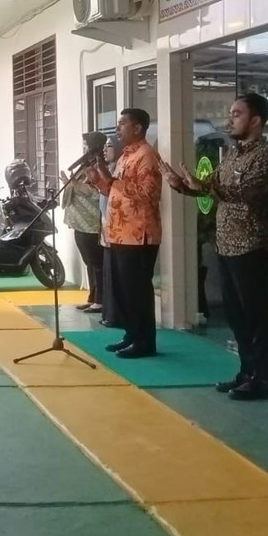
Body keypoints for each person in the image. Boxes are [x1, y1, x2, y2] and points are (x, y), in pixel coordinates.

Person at [162, 94, 268, 400]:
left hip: (252, 246)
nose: (229, 120)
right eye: (230, 114)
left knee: (256, 315)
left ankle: (263, 379)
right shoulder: (232, 154)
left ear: (255, 120)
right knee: (236, 315)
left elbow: (249, 193)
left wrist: (209, 187)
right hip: (227, 245)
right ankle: (246, 372)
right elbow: (212, 189)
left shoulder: (267, 156)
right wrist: (181, 184)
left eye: (236, 114)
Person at [90, 109, 163, 358]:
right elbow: (114, 192)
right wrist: (98, 179)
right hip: (120, 233)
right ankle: (132, 335)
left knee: (137, 291)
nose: (117, 128)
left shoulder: (146, 155)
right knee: (124, 291)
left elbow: (148, 193)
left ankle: (145, 342)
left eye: (122, 124)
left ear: (138, 128)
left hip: (139, 235)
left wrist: (112, 181)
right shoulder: (125, 156)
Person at [63, 132, 107, 315]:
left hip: (91, 223)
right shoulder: (85, 165)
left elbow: (96, 192)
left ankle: (101, 300)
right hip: (79, 222)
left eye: (86, 145)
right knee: (89, 263)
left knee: (97, 263)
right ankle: (92, 297)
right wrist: (69, 183)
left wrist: (74, 184)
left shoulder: (100, 166)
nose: (83, 148)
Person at [98, 136, 123, 328]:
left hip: (119, 228)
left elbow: (117, 193)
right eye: (104, 147)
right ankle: (108, 312)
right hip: (107, 226)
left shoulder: (118, 169)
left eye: (109, 146)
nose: (105, 150)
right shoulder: (110, 167)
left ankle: (116, 315)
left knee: (116, 275)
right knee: (108, 273)